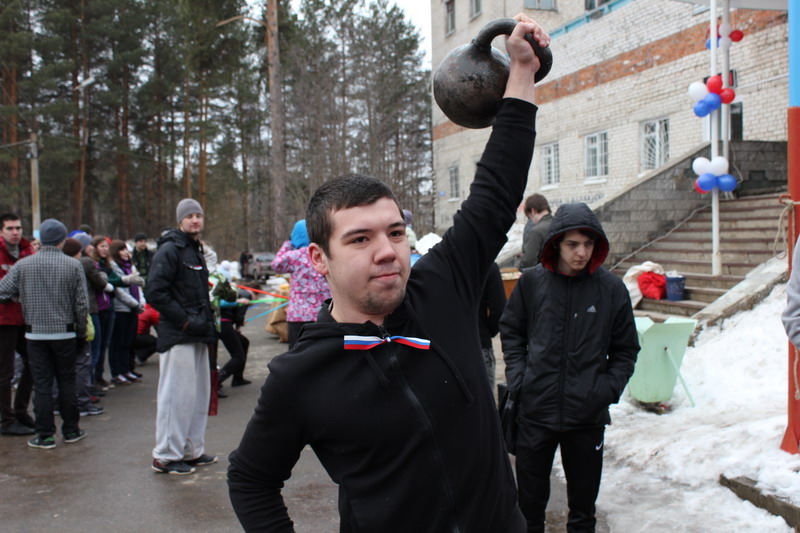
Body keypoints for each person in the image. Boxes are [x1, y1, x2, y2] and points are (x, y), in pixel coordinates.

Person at [227, 15, 548, 532]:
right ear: (318, 259)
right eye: (360, 239)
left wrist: (522, 73)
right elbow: (250, 478)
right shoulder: (300, 375)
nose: (387, 252)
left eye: (395, 233)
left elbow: (496, 188)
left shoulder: (443, 284)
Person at [499, 202, 640, 533]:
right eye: (573, 244)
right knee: (529, 508)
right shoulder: (533, 283)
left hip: (586, 418)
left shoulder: (611, 289)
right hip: (535, 413)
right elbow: (512, 332)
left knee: (583, 511)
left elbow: (626, 349)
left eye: (588, 244)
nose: (581, 253)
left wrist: (605, 390)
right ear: (556, 243)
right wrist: (520, 377)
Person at [0, 218, 89, 449]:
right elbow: (81, 304)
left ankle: (45, 435)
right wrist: (81, 332)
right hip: (65, 333)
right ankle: (71, 430)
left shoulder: (24, 265)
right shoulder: (73, 265)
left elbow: (2, 291)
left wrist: (20, 297)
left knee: (42, 384)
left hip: (35, 334)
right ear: (62, 240)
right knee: (66, 382)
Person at [146, 198, 218, 475]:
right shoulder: (170, 249)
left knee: (196, 395)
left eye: (199, 215)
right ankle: (165, 455)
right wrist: (185, 321)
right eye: (189, 216)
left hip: (200, 333)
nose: (195, 220)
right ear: (180, 220)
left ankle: (190, 450)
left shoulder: (195, 249)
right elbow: (155, 291)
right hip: (179, 335)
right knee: (175, 396)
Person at [270, 219, 332, 348]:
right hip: (325, 313)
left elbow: (276, 264)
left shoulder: (294, 256)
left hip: (298, 315)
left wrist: (288, 243)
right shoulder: (324, 254)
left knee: (298, 355)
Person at [0, 213, 35, 436]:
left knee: (33, 363)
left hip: (24, 317)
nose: (15, 232)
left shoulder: (27, 251)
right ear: (1, 232)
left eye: (18, 228)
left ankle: (21, 410)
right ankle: (6, 420)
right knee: (5, 372)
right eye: (10, 228)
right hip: (3, 319)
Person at [61, 238, 104, 417]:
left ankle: (62, 402)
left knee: (62, 368)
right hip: (83, 317)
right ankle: (84, 400)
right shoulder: (81, 265)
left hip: (59, 323)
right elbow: (83, 298)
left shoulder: (60, 266)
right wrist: (82, 328)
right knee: (85, 361)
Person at [108, 240, 144, 385]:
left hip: (133, 308)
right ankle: (117, 372)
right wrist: (135, 304)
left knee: (129, 341)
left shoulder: (131, 267)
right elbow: (119, 291)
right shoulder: (113, 267)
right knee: (118, 342)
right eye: (121, 250)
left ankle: (127, 368)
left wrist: (141, 302)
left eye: (126, 250)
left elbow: (138, 286)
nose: (125, 253)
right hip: (121, 309)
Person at [478, 262, 506, 393]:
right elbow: (499, 310)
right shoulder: (487, 265)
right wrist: (488, 331)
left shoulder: (443, 263)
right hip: (480, 341)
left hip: (448, 346)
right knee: (484, 404)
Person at [519, 193, 553, 268]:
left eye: (530, 216)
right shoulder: (557, 224)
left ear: (533, 211)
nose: (532, 221)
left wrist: (519, 265)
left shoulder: (536, 231)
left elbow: (529, 261)